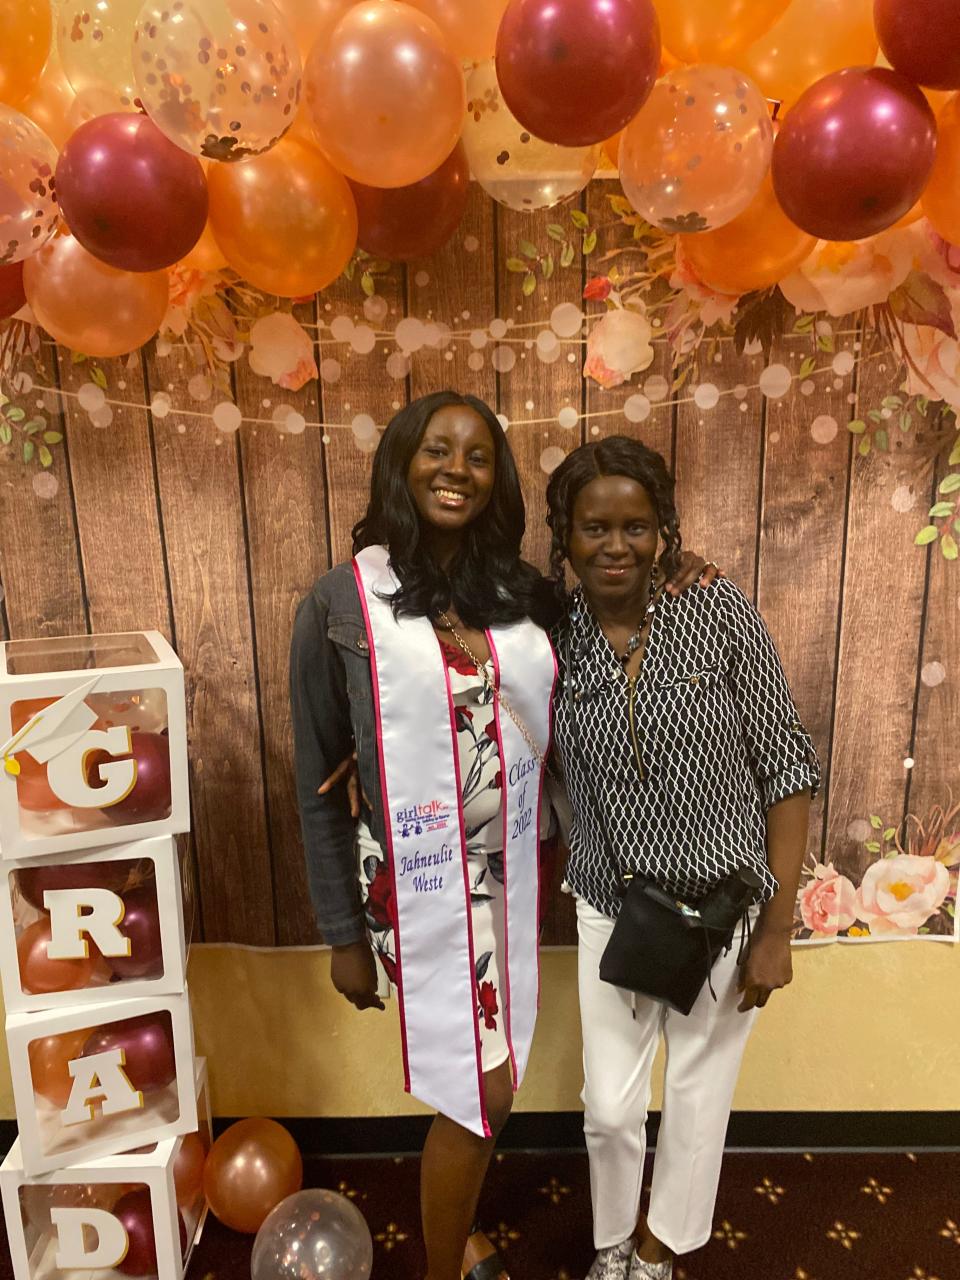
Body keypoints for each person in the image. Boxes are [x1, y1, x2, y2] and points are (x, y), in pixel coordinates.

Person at [290, 393, 717, 1280]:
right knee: (481, 1090)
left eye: (478, 456)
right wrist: (340, 936)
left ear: (498, 479)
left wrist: (678, 574)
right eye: (437, 451)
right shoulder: (340, 603)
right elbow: (316, 780)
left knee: (486, 1084)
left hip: (512, 875)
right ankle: (444, 1268)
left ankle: (461, 1238)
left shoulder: (522, 596)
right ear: (402, 464)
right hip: (413, 885)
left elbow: (603, 650)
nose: (457, 470)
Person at [544, 436, 820, 1280]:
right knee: (610, 1108)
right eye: (595, 528)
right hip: (612, 903)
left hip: (725, 909)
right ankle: (611, 1242)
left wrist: (779, 928)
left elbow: (787, 761)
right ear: (565, 537)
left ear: (665, 531)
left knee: (698, 1098)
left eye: (637, 526)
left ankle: (659, 1253)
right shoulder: (552, 635)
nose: (616, 546)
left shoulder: (718, 608)